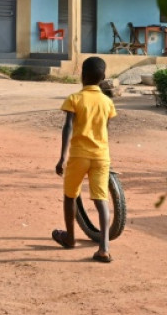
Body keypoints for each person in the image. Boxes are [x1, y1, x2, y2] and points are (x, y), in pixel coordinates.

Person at [51, 56, 117, 263]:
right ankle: (104, 248)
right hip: (101, 156)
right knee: (101, 199)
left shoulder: (75, 99)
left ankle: (70, 239)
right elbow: (105, 130)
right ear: (103, 78)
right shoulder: (107, 102)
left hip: (79, 155)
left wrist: (62, 157)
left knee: (70, 196)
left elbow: (68, 127)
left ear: (82, 75)